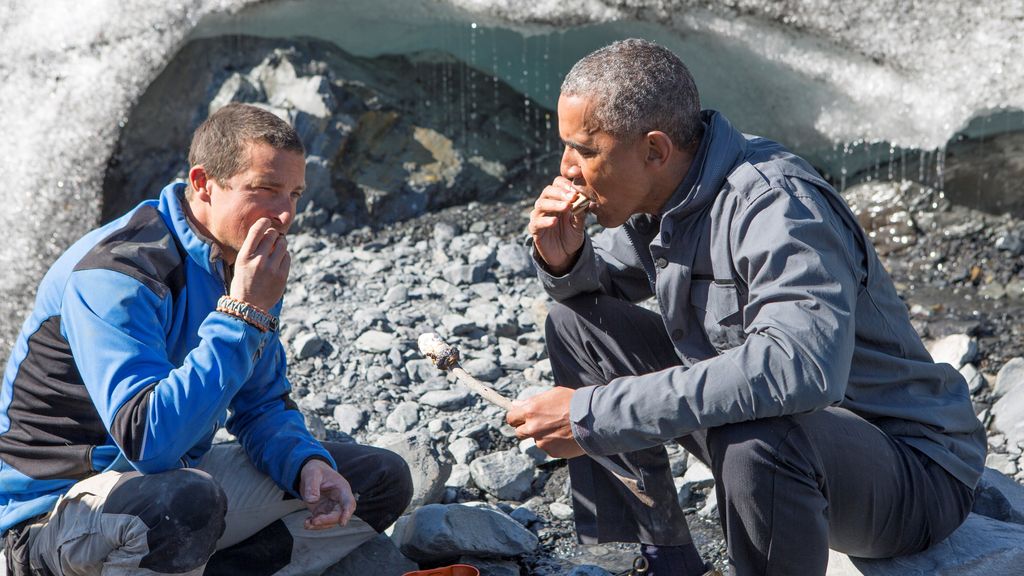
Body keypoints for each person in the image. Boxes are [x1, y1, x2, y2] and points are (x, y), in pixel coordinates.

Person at [507, 39, 985, 576]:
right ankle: (657, 558)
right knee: (576, 322)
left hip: (910, 472)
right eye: (566, 147)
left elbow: (800, 370)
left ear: (655, 149)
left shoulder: (777, 205)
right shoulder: (662, 192)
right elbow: (603, 288)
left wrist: (596, 415)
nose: (567, 169)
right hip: (795, 440)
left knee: (757, 434)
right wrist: (564, 260)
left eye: (585, 151)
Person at [0, 103, 413, 576]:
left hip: (166, 484)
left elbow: (261, 405)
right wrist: (246, 313)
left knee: (377, 481)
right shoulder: (118, 273)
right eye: (265, 190)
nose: (284, 213)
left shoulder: (243, 260)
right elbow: (147, 439)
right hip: (51, 512)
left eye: (295, 194)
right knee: (183, 504)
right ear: (203, 184)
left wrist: (304, 464)